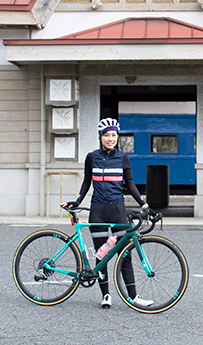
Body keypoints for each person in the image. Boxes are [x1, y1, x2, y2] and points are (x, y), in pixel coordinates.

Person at [61, 117, 153, 309]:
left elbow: (130, 184)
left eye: (114, 135)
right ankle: (106, 295)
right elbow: (87, 182)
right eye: (107, 135)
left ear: (117, 136)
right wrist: (77, 201)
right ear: (100, 137)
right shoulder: (91, 157)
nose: (111, 138)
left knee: (125, 253)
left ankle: (133, 296)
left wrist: (144, 205)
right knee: (101, 255)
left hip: (118, 210)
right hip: (98, 211)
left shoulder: (123, 158)